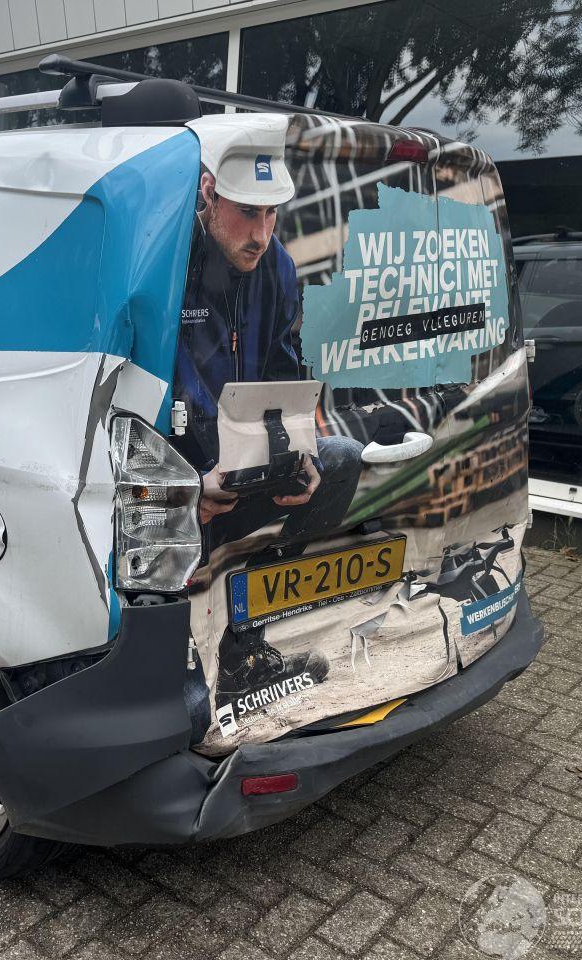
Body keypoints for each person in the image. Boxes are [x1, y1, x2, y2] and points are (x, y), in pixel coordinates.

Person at [172, 115, 364, 704]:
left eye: (271, 214)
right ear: (209, 194)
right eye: (247, 212)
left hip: (241, 453)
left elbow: (283, 368)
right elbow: (149, 385)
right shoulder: (169, 260)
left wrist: (299, 453)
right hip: (172, 459)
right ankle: (177, 657)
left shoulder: (276, 264)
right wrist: (190, 482)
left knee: (340, 460)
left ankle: (246, 635)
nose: (261, 233)